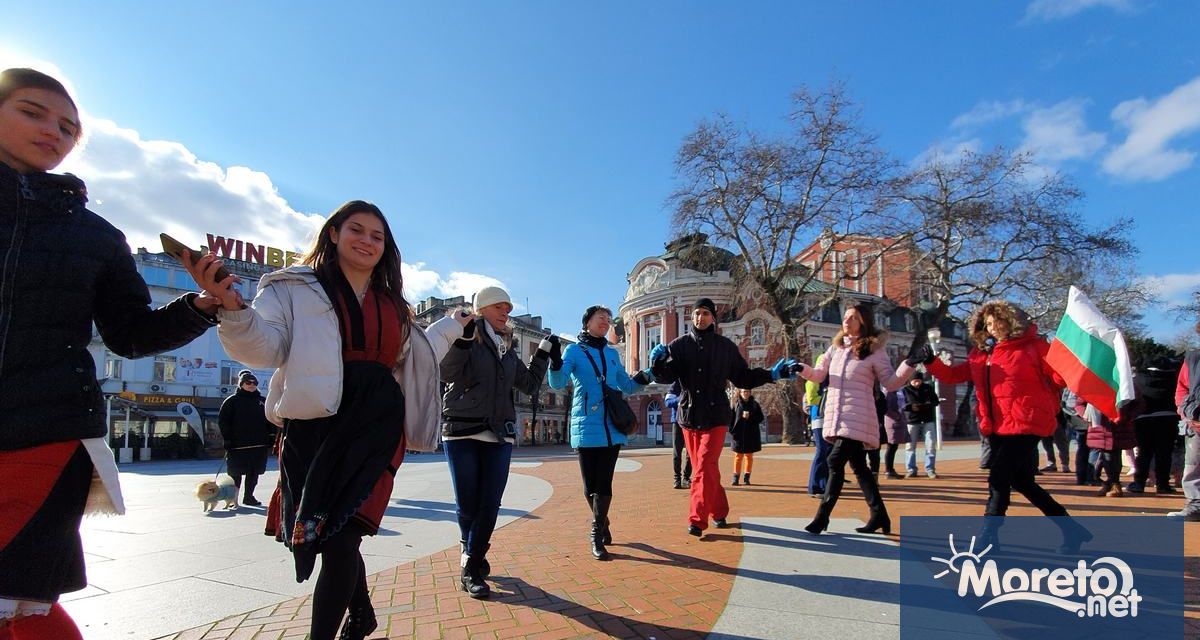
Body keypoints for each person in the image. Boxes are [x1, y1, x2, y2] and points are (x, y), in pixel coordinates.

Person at [0, 68, 221, 639]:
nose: (53, 130)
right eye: (32, 111)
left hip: (42, 432)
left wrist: (202, 304)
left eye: (68, 126)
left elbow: (131, 335)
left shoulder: (96, 236)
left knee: (23, 596)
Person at [207, 201, 440, 640]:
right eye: (357, 229)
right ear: (332, 233)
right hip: (314, 426)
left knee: (343, 538)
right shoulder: (292, 287)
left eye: (378, 235)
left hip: (375, 428)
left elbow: (411, 366)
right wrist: (234, 310)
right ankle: (363, 611)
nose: (368, 241)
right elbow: (264, 349)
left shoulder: (394, 305)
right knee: (330, 532)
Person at [914, 300, 1091, 551]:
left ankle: (989, 538)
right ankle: (1072, 530)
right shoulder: (982, 353)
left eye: (998, 322)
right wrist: (932, 361)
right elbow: (955, 375)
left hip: (1027, 421)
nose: (993, 328)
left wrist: (1069, 357)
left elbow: (1059, 377)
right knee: (1021, 482)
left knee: (998, 477)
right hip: (996, 425)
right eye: (988, 324)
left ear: (1012, 322)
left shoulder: (1035, 346)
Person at [428, 287, 552, 598]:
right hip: (461, 430)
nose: (506, 312)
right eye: (499, 306)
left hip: (500, 432)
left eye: (508, 307)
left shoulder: (508, 348)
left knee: (491, 501)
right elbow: (446, 371)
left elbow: (529, 385)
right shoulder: (468, 335)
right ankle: (472, 551)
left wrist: (543, 353)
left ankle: (470, 564)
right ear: (481, 308)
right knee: (468, 502)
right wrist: (462, 338)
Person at [648, 298, 796, 537]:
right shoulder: (679, 345)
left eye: (705, 313)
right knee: (704, 469)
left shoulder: (725, 347)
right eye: (696, 313)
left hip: (716, 416)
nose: (700, 318)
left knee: (704, 466)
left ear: (713, 318)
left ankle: (697, 519)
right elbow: (667, 377)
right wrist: (656, 364)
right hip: (688, 416)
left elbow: (743, 377)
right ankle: (719, 510)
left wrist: (772, 374)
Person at [795, 304, 914, 536]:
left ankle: (822, 518)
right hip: (836, 416)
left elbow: (890, 382)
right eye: (846, 317)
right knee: (860, 468)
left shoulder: (874, 351)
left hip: (858, 418)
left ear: (864, 323)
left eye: (854, 318)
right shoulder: (835, 349)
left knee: (834, 461)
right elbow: (819, 375)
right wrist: (801, 368)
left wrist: (909, 363)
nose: (847, 321)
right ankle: (879, 515)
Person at [548, 305, 652, 560]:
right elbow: (559, 383)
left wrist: (650, 373)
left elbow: (626, 386)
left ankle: (596, 533)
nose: (606, 322)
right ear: (587, 323)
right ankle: (603, 522)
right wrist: (554, 360)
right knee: (589, 486)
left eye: (608, 319)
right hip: (585, 425)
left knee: (604, 483)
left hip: (612, 427)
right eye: (600, 318)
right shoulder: (573, 350)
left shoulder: (612, 353)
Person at [218, 370, 277, 507]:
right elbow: (223, 421)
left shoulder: (262, 401)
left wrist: (271, 436)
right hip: (237, 445)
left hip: (258, 444)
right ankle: (233, 499)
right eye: (248, 382)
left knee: (254, 473)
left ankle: (249, 497)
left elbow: (271, 420)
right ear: (241, 384)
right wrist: (227, 438)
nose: (251, 385)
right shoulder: (231, 401)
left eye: (254, 382)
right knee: (235, 473)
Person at [1127, 358, 1181, 494]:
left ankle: (1139, 483)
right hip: (1168, 419)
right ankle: (1163, 484)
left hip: (1143, 420)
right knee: (1164, 453)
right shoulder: (1174, 379)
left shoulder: (1138, 379)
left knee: (1144, 453)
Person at [1168, 332, 1200, 521]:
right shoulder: (1193, 359)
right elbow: (1182, 387)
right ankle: (1196, 504)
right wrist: (1186, 413)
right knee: (1193, 465)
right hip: (1195, 423)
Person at [1083, 402, 1135, 497]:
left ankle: (1113, 484)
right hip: (1098, 428)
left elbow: (1137, 402)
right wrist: (1087, 415)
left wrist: (1126, 416)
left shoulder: (1121, 387)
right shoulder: (1092, 389)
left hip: (1118, 427)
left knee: (1114, 457)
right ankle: (1110, 483)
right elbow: (1078, 403)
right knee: (1102, 459)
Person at [902, 372, 940, 479]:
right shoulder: (905, 390)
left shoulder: (928, 388)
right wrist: (910, 407)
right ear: (910, 381)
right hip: (912, 421)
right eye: (915, 381)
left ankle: (930, 469)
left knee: (931, 444)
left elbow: (935, 401)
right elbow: (901, 404)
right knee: (910, 446)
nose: (917, 383)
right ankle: (911, 469)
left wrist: (927, 405)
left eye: (919, 380)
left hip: (927, 420)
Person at [805, 354, 831, 497]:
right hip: (819, 417)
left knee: (828, 452)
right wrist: (830, 398)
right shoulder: (814, 378)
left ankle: (825, 484)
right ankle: (815, 486)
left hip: (830, 418)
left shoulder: (831, 378)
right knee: (822, 451)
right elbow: (811, 399)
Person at [730, 389, 764, 486]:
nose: (746, 393)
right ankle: (735, 478)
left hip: (751, 435)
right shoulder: (735, 404)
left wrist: (751, 416)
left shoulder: (754, 405)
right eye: (744, 392)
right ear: (740, 393)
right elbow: (730, 419)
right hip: (738, 434)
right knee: (738, 456)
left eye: (748, 392)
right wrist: (732, 431)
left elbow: (760, 418)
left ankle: (746, 477)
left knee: (749, 456)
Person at [665, 382, 692, 489]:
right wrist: (679, 399)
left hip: (691, 422)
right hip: (677, 421)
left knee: (690, 452)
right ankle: (677, 479)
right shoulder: (675, 384)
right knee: (677, 452)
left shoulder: (692, 381)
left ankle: (686, 478)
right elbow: (667, 402)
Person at [882, 386, 909, 479]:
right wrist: (896, 416)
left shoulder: (898, 391)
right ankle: (888, 470)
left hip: (898, 421)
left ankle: (890, 469)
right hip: (892, 422)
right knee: (891, 446)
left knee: (894, 447)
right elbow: (885, 408)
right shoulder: (888, 392)